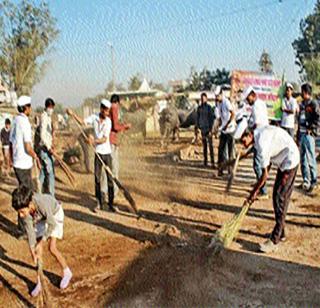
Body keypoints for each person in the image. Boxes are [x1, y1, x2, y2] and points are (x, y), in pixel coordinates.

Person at [240, 125, 300, 253]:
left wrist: (253, 194)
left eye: (243, 141)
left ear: (249, 135)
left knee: (279, 198)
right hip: (284, 159)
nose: (244, 145)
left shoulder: (261, 143)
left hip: (290, 160)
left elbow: (264, 175)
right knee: (278, 197)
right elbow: (267, 162)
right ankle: (281, 231)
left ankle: (275, 239)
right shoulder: (258, 135)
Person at [11, 186, 72, 296]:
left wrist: (42, 241)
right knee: (38, 253)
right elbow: (30, 233)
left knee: (52, 248)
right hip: (39, 218)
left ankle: (67, 272)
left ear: (29, 204)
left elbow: (52, 223)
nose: (20, 215)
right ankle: (39, 282)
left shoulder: (42, 204)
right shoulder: (25, 213)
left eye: (21, 211)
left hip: (54, 214)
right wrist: (32, 251)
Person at [67, 99, 115, 212]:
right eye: (106, 111)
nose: (107, 113)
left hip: (107, 153)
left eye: (108, 111)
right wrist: (73, 114)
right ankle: (99, 202)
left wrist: (92, 141)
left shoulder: (108, 122)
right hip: (98, 153)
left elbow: (104, 139)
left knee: (110, 179)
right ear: (102, 109)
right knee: (97, 179)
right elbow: (82, 122)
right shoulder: (94, 118)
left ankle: (111, 203)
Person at [10, 96, 41, 237]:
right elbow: (28, 147)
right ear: (26, 108)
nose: (30, 109)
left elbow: (11, 143)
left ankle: (23, 227)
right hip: (24, 163)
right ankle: (24, 228)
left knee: (23, 193)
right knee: (25, 196)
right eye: (29, 106)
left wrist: (11, 159)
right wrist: (36, 156)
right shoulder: (25, 123)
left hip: (17, 163)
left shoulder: (15, 121)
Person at [243, 86, 269, 199]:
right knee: (259, 164)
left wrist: (249, 131)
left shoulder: (256, 106)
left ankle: (263, 191)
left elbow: (257, 124)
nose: (247, 101)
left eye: (248, 98)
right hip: (261, 136)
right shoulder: (260, 103)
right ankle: (260, 185)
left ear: (252, 95)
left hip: (261, 137)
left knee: (257, 165)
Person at [297, 83, 319, 193]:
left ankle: (314, 182)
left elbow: (318, 118)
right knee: (303, 159)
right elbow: (299, 118)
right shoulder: (302, 104)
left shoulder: (313, 104)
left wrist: (311, 128)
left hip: (309, 135)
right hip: (301, 134)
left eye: (302, 92)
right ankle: (306, 181)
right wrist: (297, 135)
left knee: (311, 158)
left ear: (306, 93)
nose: (301, 94)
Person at [109, 94, 131, 198]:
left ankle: (108, 192)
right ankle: (114, 193)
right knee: (114, 168)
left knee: (109, 168)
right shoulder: (114, 108)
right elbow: (116, 126)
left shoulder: (108, 108)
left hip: (109, 142)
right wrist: (125, 126)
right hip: (111, 142)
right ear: (117, 102)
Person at [35, 98, 56, 196]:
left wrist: (52, 143)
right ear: (47, 107)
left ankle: (39, 192)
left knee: (43, 172)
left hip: (47, 148)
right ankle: (52, 197)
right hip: (44, 149)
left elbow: (48, 135)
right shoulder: (43, 117)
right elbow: (43, 136)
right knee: (50, 173)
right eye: (51, 107)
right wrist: (49, 147)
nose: (52, 110)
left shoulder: (48, 117)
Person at [215, 86, 236, 176]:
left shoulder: (226, 102)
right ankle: (220, 170)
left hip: (230, 130)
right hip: (223, 130)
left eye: (217, 96)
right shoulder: (218, 104)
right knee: (221, 150)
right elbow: (219, 118)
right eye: (215, 96)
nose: (216, 98)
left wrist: (227, 124)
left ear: (221, 94)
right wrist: (218, 126)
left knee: (230, 151)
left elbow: (233, 114)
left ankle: (230, 170)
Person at [196, 92, 215, 167]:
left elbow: (211, 119)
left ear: (206, 99)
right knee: (204, 147)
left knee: (210, 146)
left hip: (208, 129)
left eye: (204, 98)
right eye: (201, 99)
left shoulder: (209, 108)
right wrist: (197, 128)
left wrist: (211, 130)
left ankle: (212, 162)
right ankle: (205, 162)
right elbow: (197, 118)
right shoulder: (199, 108)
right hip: (202, 129)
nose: (203, 100)